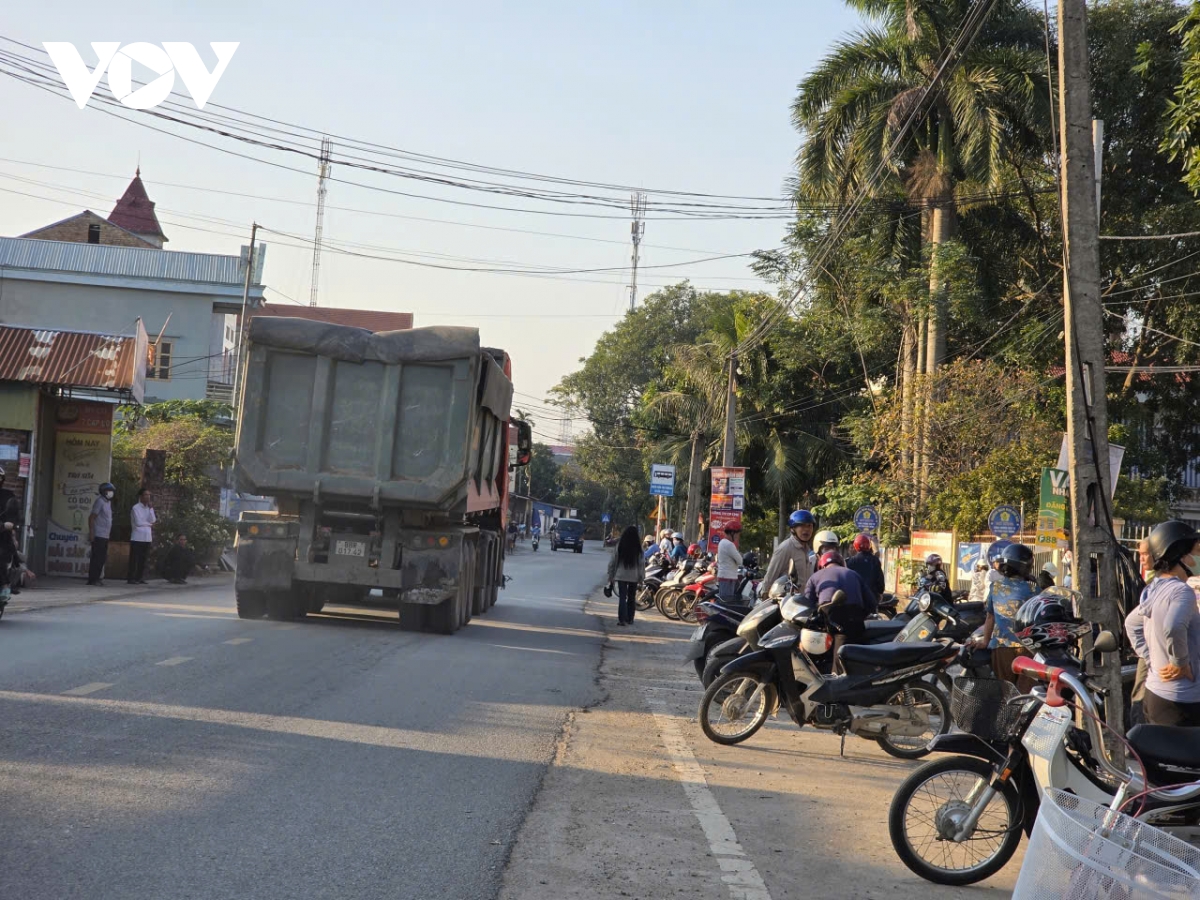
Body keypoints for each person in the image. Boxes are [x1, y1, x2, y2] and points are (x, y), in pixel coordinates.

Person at [1125, 520, 1200, 727]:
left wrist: (1152, 660)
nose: (1196, 559)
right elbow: (1173, 626)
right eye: (1192, 553)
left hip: (1155, 693)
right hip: (1181, 702)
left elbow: (1132, 624)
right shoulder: (1181, 591)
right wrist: (1179, 663)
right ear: (1181, 556)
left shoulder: (1156, 588)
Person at [970, 543, 1037, 685]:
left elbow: (990, 617)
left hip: (1001, 648)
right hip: (1028, 648)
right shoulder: (1033, 589)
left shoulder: (995, 587)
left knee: (1007, 691)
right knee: (1026, 694)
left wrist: (985, 642)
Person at [803, 550, 875, 670]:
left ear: (821, 564)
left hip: (831, 621)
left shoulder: (815, 576)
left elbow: (806, 605)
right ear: (841, 563)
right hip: (854, 621)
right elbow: (872, 603)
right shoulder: (854, 574)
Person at [762, 509, 815, 591]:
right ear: (793, 529)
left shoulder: (808, 550)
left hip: (804, 601)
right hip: (788, 600)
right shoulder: (785, 548)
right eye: (802, 526)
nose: (807, 529)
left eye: (809, 526)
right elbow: (771, 576)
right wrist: (764, 593)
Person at [606, 525, 646, 627]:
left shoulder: (620, 545)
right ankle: (630, 619)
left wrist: (611, 575)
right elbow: (641, 564)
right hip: (634, 576)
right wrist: (641, 577)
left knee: (622, 597)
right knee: (631, 597)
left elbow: (613, 561)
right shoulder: (638, 547)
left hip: (621, 575)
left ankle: (621, 620)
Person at [87, 481, 115, 586]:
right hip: (98, 534)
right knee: (96, 558)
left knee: (102, 558)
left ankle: (97, 578)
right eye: (109, 491)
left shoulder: (108, 503)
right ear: (103, 492)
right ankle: (92, 579)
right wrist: (91, 533)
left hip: (105, 535)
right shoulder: (100, 502)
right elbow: (92, 517)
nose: (111, 493)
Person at [128, 488, 156, 585]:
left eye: (149, 495)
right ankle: (131, 578)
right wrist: (148, 525)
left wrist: (151, 509)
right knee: (134, 559)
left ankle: (139, 577)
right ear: (140, 496)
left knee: (143, 559)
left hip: (147, 537)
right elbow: (138, 523)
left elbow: (153, 520)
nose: (148, 497)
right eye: (145, 495)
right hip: (137, 537)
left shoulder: (148, 508)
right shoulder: (135, 508)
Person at [846, 533, 885, 598]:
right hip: (872, 597)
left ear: (855, 546)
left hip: (856, 597)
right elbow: (880, 580)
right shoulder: (875, 560)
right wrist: (880, 592)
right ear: (869, 545)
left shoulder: (850, 561)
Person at [716, 523, 743, 601]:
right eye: (737, 534)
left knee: (725, 602)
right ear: (732, 533)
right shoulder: (729, 545)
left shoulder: (722, 543)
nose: (738, 536)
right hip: (728, 578)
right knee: (726, 603)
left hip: (725, 577)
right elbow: (740, 560)